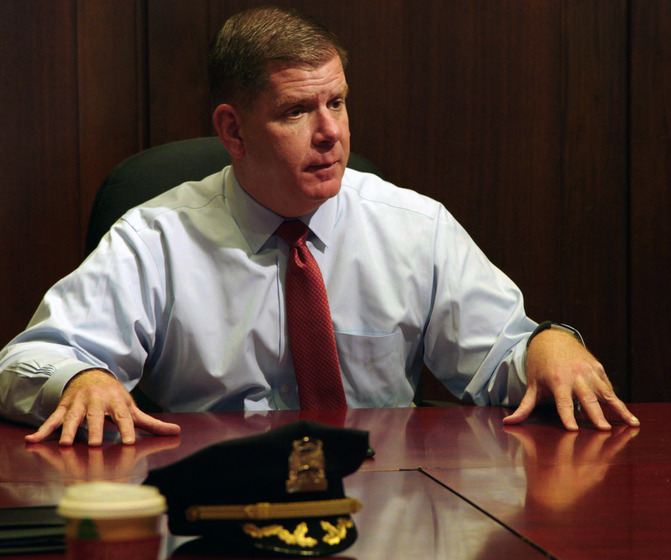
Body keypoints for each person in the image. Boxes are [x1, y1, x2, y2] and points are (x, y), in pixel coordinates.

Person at [0, 6, 639, 446]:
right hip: (222, 504)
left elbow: (503, 356)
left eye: (336, 101)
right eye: (298, 111)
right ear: (233, 130)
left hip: (387, 497)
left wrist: (548, 343)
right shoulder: (155, 239)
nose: (331, 132)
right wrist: (81, 376)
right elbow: (28, 359)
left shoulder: (413, 226)